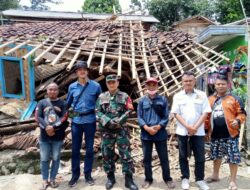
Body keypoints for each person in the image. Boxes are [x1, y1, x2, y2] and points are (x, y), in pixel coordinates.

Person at [96, 74, 138, 190]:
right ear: (107, 84)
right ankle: (110, 178)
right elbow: (97, 112)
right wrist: (108, 121)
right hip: (106, 131)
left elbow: (130, 110)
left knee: (125, 154)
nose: (111, 84)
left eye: (113, 82)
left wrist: (120, 120)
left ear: (117, 83)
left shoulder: (124, 96)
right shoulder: (102, 96)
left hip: (121, 130)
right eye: (109, 83)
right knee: (107, 154)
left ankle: (128, 180)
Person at [171, 71, 211, 190]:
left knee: (200, 156)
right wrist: (188, 127)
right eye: (185, 81)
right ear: (182, 82)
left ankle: (200, 179)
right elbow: (176, 113)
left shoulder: (202, 95)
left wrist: (195, 128)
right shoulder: (177, 96)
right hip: (183, 132)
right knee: (183, 156)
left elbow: (205, 113)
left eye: (190, 80)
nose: (188, 83)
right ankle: (185, 178)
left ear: (194, 81)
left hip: (198, 133)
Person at [205, 75, 246, 190]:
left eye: (223, 84)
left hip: (231, 134)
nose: (220, 86)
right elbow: (207, 117)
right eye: (218, 84)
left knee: (233, 157)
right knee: (216, 155)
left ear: (227, 85)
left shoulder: (235, 98)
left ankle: (233, 181)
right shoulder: (210, 99)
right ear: (215, 85)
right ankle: (215, 175)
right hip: (215, 134)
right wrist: (205, 131)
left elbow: (242, 113)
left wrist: (238, 120)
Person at [66, 61, 102, 187]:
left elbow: (101, 102)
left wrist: (99, 117)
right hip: (76, 122)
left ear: (87, 71)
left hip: (90, 121)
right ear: (76, 72)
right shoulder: (72, 87)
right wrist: (70, 116)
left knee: (89, 149)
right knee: (75, 149)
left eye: (84, 69)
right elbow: (68, 103)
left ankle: (88, 175)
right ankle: (75, 176)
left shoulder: (96, 86)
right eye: (79, 69)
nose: (82, 71)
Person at [137, 77, 175, 189]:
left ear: (157, 86)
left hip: (160, 133)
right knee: (147, 159)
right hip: (146, 134)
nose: (151, 87)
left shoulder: (162, 99)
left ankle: (167, 178)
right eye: (149, 85)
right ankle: (148, 179)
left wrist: (158, 127)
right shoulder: (142, 101)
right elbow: (139, 117)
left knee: (164, 158)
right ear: (146, 87)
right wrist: (147, 128)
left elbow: (166, 116)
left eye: (154, 85)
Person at [35, 82, 68, 190]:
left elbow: (64, 117)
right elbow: (37, 117)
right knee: (44, 159)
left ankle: (53, 179)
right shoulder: (41, 103)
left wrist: (53, 127)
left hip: (58, 137)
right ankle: (45, 180)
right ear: (47, 91)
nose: (52, 91)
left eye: (55, 89)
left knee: (56, 158)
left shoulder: (63, 103)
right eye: (50, 89)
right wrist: (46, 127)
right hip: (44, 137)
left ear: (58, 91)